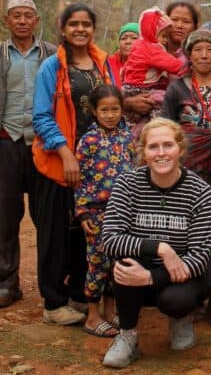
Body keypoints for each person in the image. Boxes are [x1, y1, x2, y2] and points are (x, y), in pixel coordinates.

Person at [100, 118, 211, 368]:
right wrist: (160, 248)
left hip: (184, 278)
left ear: (180, 150)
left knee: (175, 300)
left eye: (168, 145)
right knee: (124, 264)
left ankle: (181, 318)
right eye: (153, 147)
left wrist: (152, 277)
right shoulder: (127, 184)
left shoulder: (201, 192)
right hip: (140, 270)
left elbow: (199, 257)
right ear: (143, 152)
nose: (161, 153)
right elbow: (110, 239)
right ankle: (128, 336)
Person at [32, 2, 115, 325]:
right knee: (55, 232)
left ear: (93, 29)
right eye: (73, 24)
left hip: (95, 165)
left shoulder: (102, 64)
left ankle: (80, 294)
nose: (80, 30)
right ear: (63, 29)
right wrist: (66, 153)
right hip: (58, 161)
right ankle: (53, 302)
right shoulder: (51, 67)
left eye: (86, 24)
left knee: (86, 230)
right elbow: (40, 116)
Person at [0, 0, 56, 308]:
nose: (22, 21)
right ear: (7, 20)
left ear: (36, 20)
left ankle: (52, 285)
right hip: (6, 145)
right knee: (7, 219)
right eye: (16, 15)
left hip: (42, 146)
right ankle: (8, 284)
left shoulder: (51, 53)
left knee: (46, 218)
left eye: (27, 15)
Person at [161, 29, 211, 318]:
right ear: (188, 55)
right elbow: (166, 128)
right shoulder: (176, 89)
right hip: (187, 173)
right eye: (198, 50)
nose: (204, 55)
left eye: (210, 50)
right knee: (187, 232)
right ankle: (189, 292)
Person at [75, 84, 136, 337]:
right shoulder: (88, 140)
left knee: (117, 264)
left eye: (115, 109)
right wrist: (83, 212)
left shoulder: (129, 136)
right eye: (104, 110)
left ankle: (111, 313)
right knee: (97, 264)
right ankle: (92, 316)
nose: (110, 115)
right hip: (98, 214)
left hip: (124, 213)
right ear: (94, 111)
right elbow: (79, 179)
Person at [122, 6, 185, 138]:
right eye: (163, 36)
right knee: (163, 100)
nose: (165, 40)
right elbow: (175, 66)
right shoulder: (152, 48)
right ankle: (156, 128)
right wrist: (192, 66)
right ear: (151, 32)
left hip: (129, 88)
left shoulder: (139, 45)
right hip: (142, 89)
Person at [107, 23, 139, 88]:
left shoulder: (151, 65)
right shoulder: (108, 62)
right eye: (123, 38)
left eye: (134, 38)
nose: (128, 41)